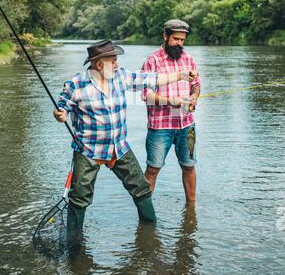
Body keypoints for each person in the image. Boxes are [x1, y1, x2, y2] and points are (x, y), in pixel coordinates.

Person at [53, 39, 191, 252]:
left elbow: (152, 79)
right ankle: (75, 247)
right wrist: (60, 115)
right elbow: (61, 108)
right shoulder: (76, 85)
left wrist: (181, 75)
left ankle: (149, 231)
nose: (117, 64)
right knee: (79, 198)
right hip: (88, 150)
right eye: (113, 60)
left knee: (142, 189)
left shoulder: (121, 77)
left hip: (119, 147)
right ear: (99, 64)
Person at [141, 19, 201, 202]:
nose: (179, 43)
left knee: (189, 166)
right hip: (161, 126)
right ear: (165, 36)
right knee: (153, 168)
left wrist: (194, 99)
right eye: (176, 39)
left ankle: (191, 208)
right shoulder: (152, 62)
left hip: (186, 125)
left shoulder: (189, 59)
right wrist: (170, 101)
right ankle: (145, 211)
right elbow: (146, 95)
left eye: (182, 40)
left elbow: (196, 86)